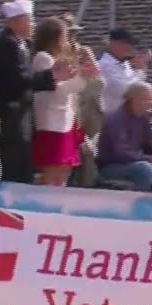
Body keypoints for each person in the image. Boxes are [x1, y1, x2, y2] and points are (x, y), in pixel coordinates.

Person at [0, 0, 72, 184]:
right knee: (15, 163)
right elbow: (19, 79)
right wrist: (52, 76)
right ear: (16, 22)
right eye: (29, 20)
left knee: (22, 163)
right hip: (11, 112)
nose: (32, 25)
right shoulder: (7, 44)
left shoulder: (19, 44)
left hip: (21, 112)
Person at [30, 17, 96, 186]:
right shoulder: (43, 58)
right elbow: (57, 91)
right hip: (51, 124)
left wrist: (84, 77)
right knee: (52, 176)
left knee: (63, 176)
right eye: (64, 37)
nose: (67, 42)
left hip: (65, 123)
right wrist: (82, 78)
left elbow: (69, 88)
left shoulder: (57, 59)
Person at [95, 81, 152, 192]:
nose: (151, 103)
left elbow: (150, 147)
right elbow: (121, 153)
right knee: (144, 169)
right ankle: (140, 205)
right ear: (133, 99)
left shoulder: (143, 119)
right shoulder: (115, 119)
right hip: (113, 166)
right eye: (147, 99)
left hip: (139, 163)